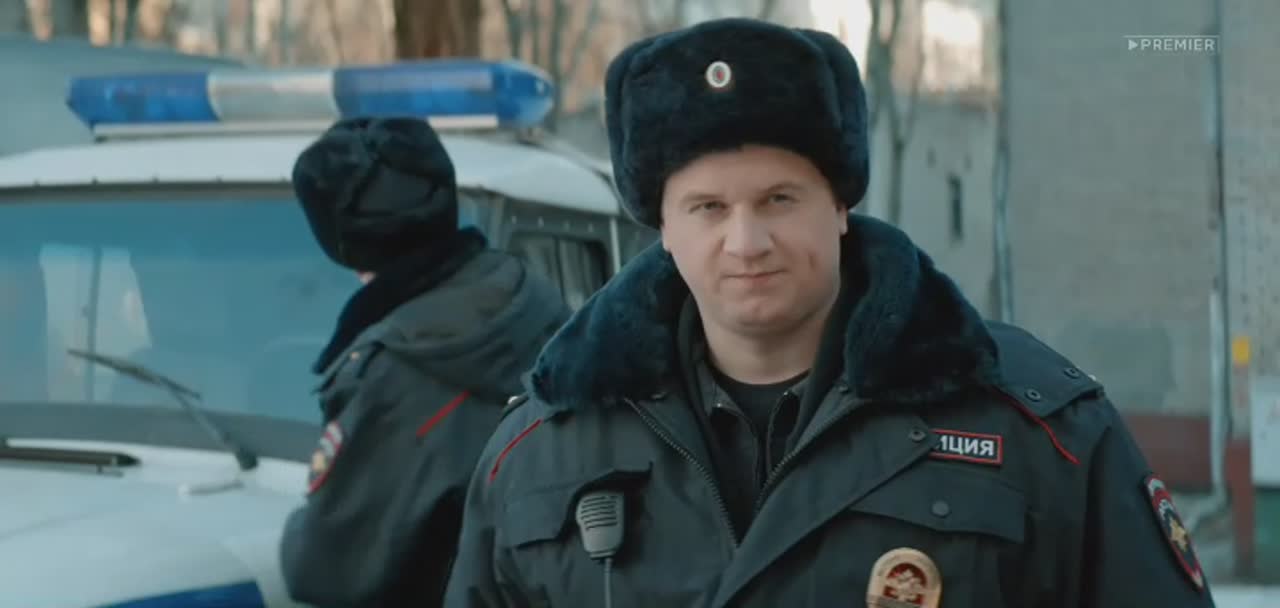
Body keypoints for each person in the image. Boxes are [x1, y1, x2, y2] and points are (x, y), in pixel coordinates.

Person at [443, 17, 1217, 608]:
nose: (746, 242)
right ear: (663, 226)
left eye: (779, 199)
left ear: (840, 205)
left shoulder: (1037, 430)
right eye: (708, 207)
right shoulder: (542, 451)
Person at [278, 117, 571, 608]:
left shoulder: (396, 371)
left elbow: (325, 570)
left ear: (342, 242)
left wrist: (295, 532)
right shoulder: (529, 303)